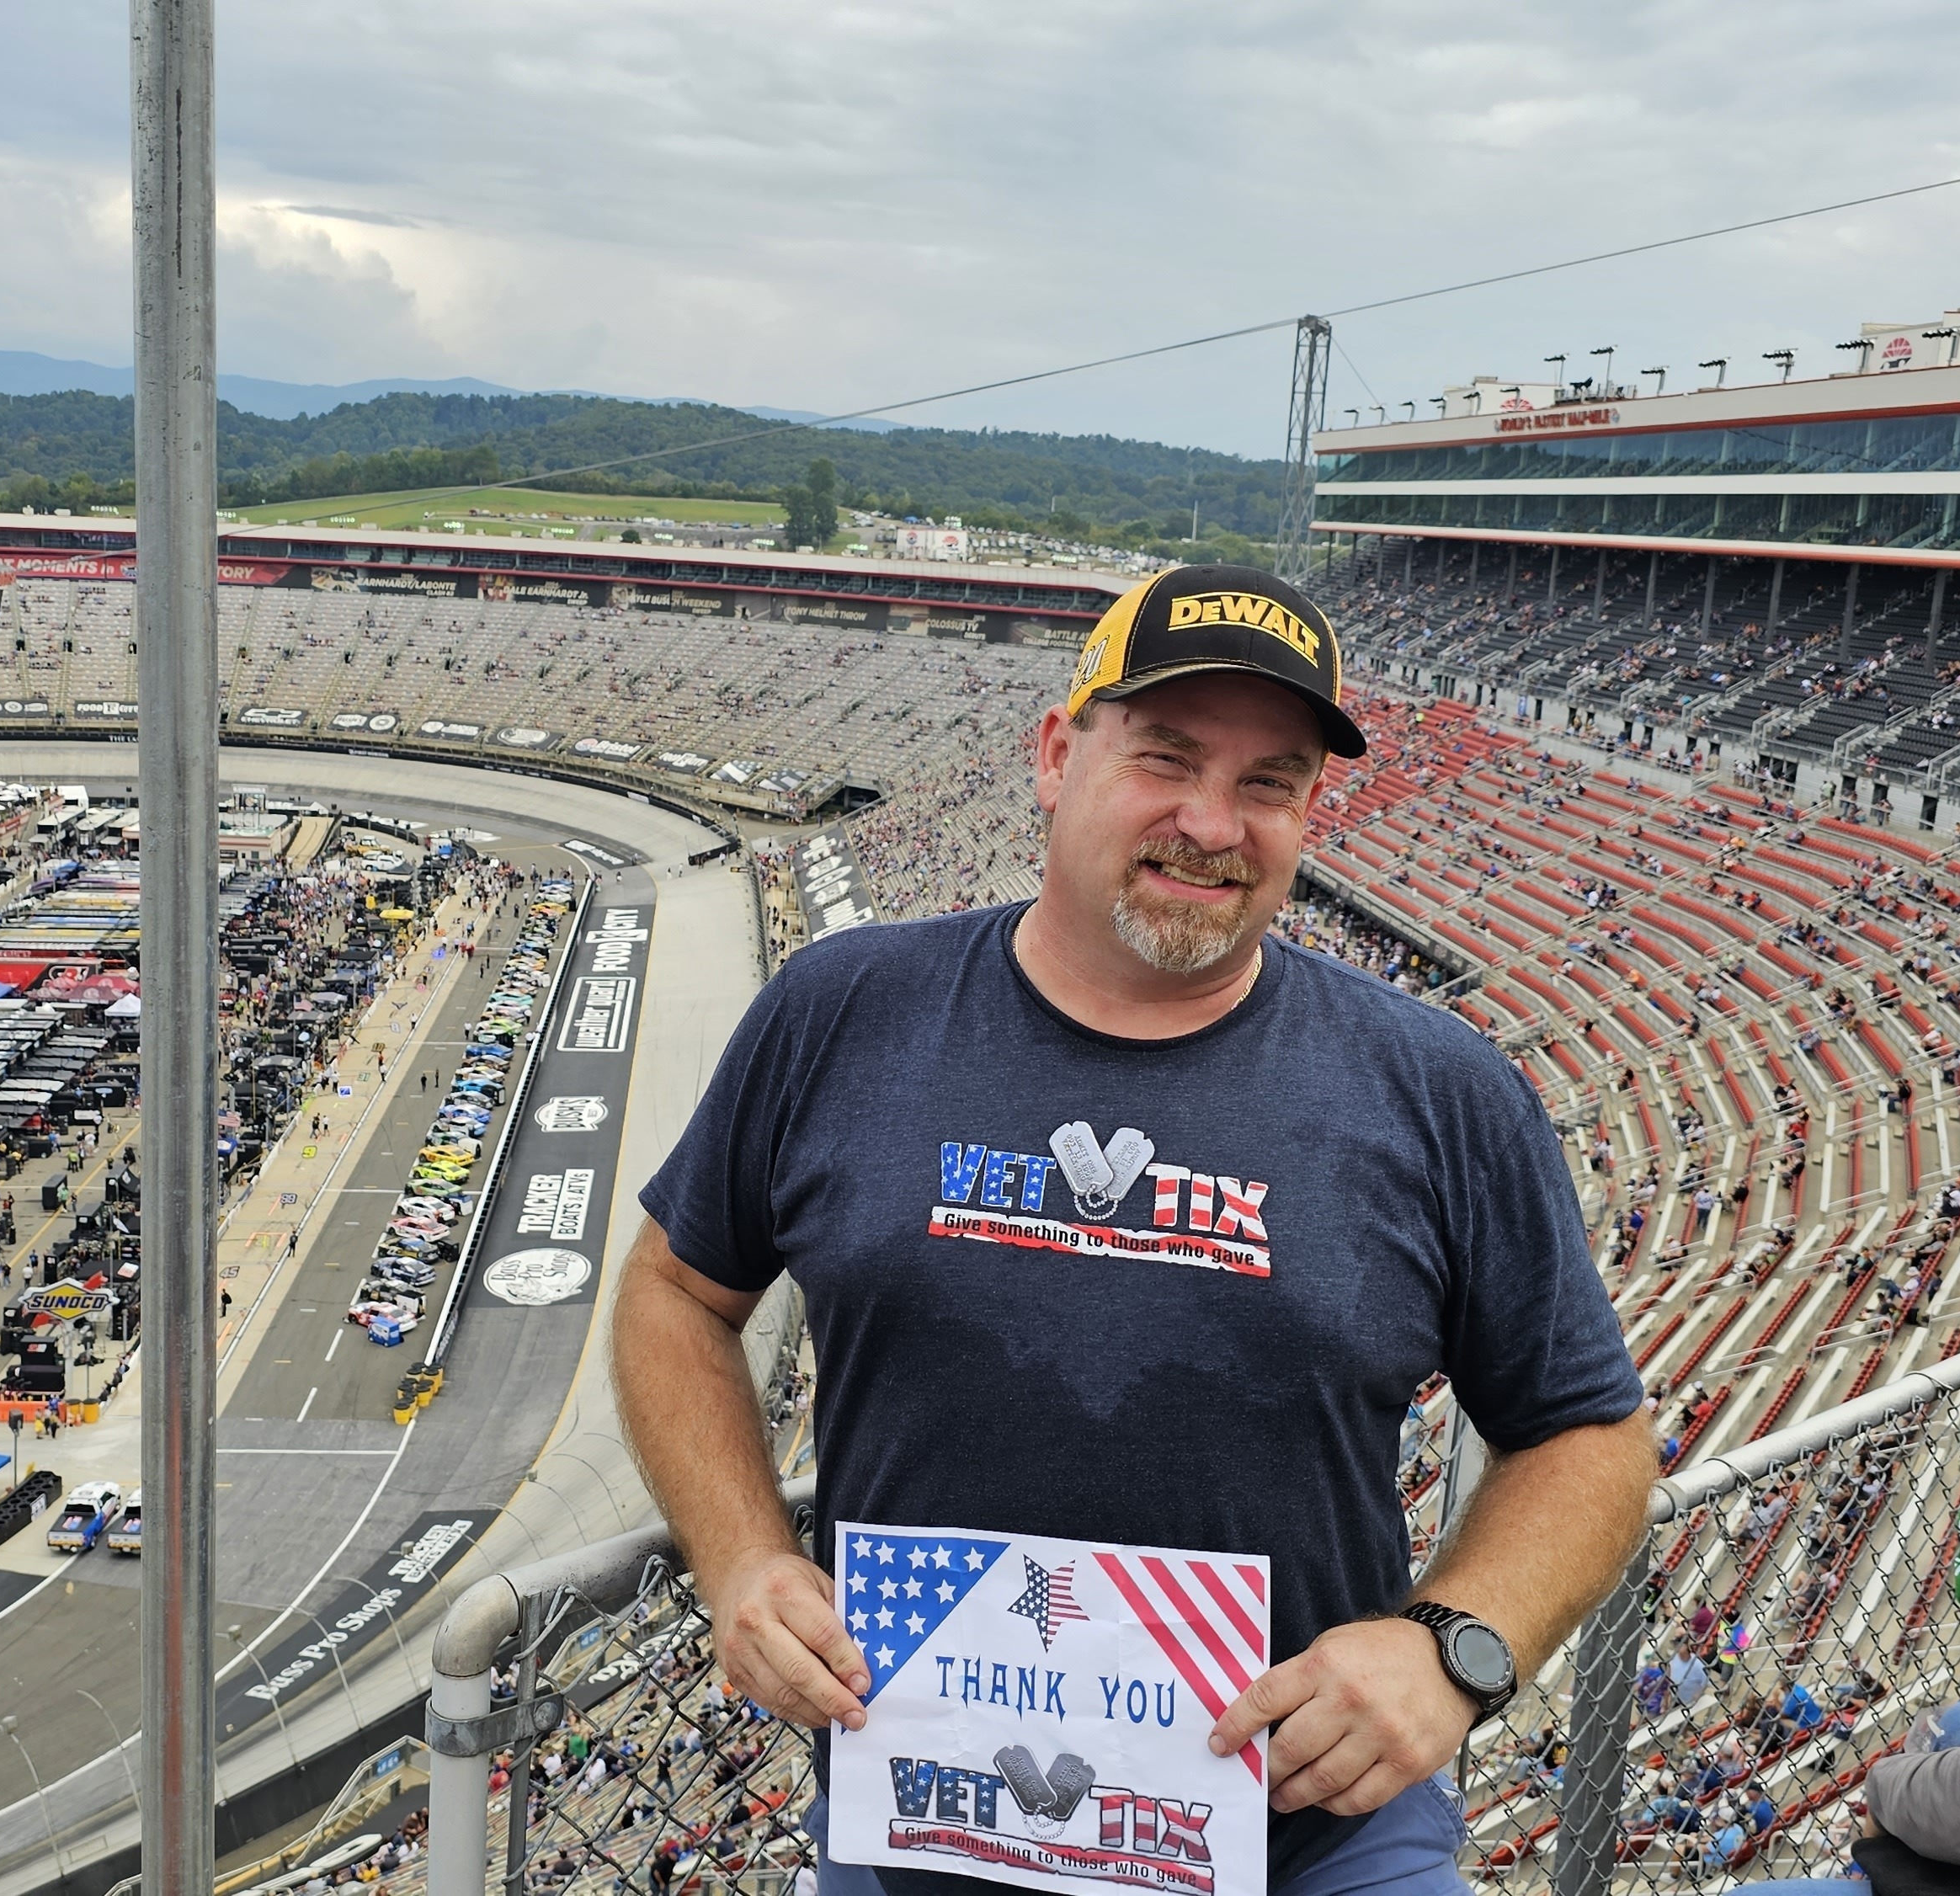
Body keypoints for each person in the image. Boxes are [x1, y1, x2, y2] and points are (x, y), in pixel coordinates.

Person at [617, 565, 1657, 1896]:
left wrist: (1455, 1648)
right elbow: (673, 1295)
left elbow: (1589, 1433)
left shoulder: (1440, 1089)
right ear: (1058, 756)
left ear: (1308, 811)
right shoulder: (842, 1010)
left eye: (1269, 782)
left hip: (1309, 1840)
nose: (1211, 823)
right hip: (916, 1819)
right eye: (1165, 757)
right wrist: (744, 1558)